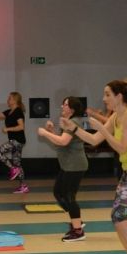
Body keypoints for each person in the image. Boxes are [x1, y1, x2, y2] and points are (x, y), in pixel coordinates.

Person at [61, 79, 127, 254]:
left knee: (120, 216)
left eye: (107, 94)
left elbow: (122, 147)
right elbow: (94, 140)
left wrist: (101, 129)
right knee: (117, 217)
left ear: (119, 96)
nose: (104, 99)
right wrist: (73, 129)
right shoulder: (115, 117)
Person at [38, 96, 89, 242]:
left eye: (65, 104)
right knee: (58, 192)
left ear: (72, 109)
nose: (62, 106)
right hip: (68, 165)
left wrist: (45, 133)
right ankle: (76, 220)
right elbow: (61, 143)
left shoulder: (73, 122)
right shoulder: (68, 122)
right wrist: (52, 132)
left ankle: (78, 231)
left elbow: (63, 141)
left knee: (68, 196)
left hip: (75, 165)